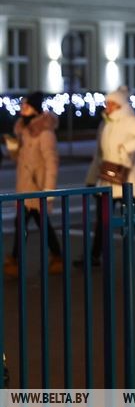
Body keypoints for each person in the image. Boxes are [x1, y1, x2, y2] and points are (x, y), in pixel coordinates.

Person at [77, 86, 135, 267]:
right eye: (107, 103)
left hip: (126, 180)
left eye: (111, 103)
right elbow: (100, 153)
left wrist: (127, 148)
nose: (107, 106)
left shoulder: (128, 121)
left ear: (119, 105)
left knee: (134, 219)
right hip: (106, 178)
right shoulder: (107, 123)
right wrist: (93, 177)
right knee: (102, 219)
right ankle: (94, 255)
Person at [3, 91, 63, 278]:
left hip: (37, 188)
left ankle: (16, 260)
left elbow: (51, 162)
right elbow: (21, 159)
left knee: (26, 223)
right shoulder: (23, 130)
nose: (22, 108)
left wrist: (48, 190)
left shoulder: (44, 132)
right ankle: (56, 257)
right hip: (25, 187)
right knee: (36, 224)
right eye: (22, 105)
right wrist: (14, 150)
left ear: (35, 109)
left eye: (26, 106)